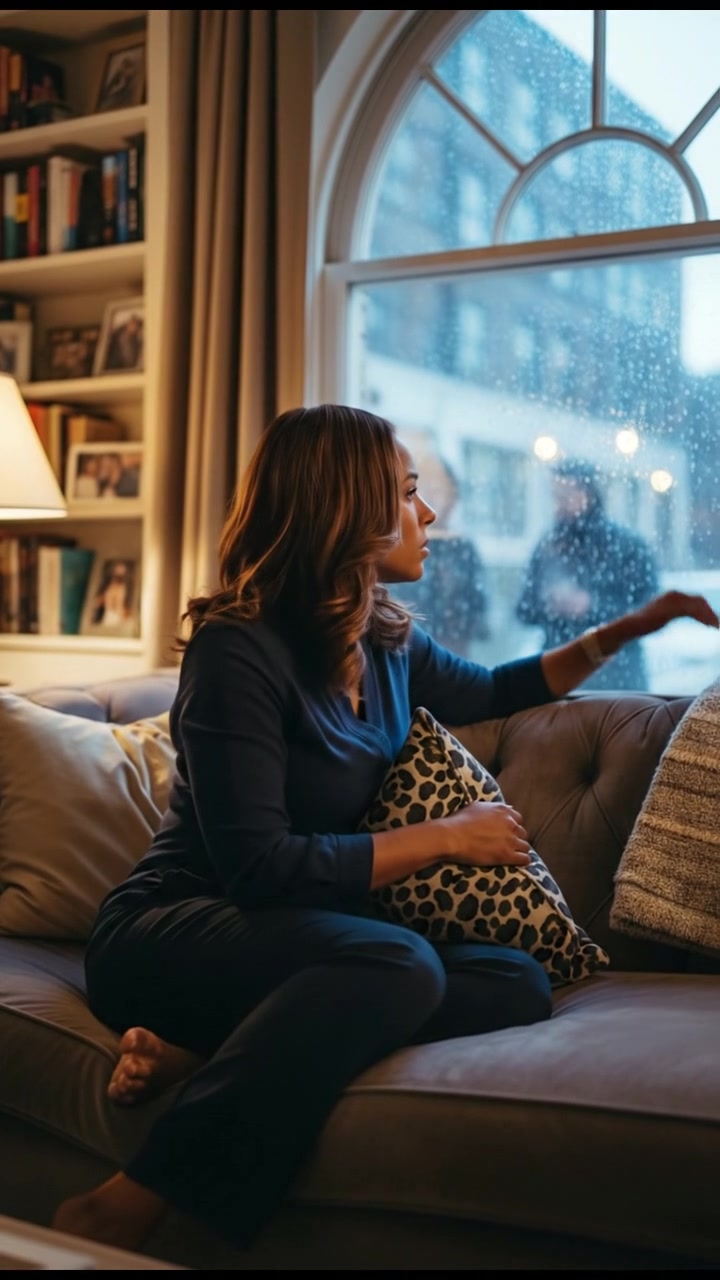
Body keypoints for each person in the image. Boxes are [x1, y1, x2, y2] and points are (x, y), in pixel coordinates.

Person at [52, 405, 718, 1254]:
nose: (429, 514)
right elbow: (259, 869)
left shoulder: (387, 642)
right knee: (396, 959)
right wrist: (448, 836)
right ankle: (132, 1201)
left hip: (297, 943)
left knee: (515, 979)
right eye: (407, 495)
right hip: (179, 927)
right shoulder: (237, 651)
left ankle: (216, 1053)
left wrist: (633, 625)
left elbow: (498, 688)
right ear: (345, 511)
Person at [515, 458, 660, 690]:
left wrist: (591, 606)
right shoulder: (548, 547)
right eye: (555, 495)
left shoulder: (626, 545)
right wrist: (550, 604)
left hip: (618, 680)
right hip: (560, 677)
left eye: (568, 494)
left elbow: (649, 611)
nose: (559, 503)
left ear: (590, 493)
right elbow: (523, 609)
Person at [391, 452, 489, 655]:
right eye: (425, 490)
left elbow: (478, 612)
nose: (433, 501)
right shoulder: (398, 545)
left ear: (455, 497)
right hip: (405, 652)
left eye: (442, 491)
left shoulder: (463, 547)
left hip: (453, 654)